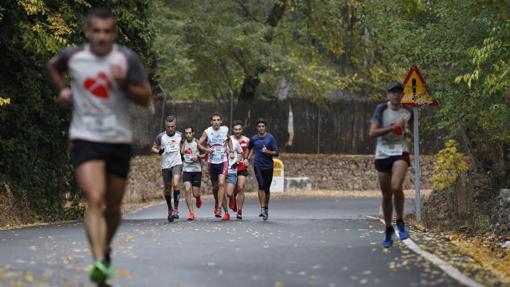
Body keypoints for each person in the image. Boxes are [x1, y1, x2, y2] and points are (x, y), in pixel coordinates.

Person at [47, 8, 152, 284]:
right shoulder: (74, 56)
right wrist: (62, 90)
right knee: (94, 198)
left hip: (117, 139)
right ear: (88, 33)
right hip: (85, 137)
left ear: (113, 33)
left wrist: (124, 84)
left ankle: (104, 250)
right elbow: (52, 66)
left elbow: (145, 97)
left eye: (107, 31)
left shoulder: (125, 59)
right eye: (97, 31)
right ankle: (98, 263)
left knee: (114, 208)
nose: (102, 37)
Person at [369, 82, 412, 248]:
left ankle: (400, 222)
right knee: (386, 195)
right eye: (392, 92)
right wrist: (391, 128)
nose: (396, 95)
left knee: (396, 186)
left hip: (400, 152)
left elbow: (409, 131)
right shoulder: (381, 110)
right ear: (388, 95)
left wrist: (406, 132)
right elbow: (372, 133)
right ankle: (388, 229)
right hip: (382, 154)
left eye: (399, 92)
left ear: (402, 95)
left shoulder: (408, 112)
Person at [198, 113, 233, 220]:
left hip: (223, 160)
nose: (216, 122)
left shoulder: (225, 129)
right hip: (212, 162)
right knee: (215, 187)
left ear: (221, 121)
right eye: (214, 120)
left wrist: (231, 151)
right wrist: (206, 150)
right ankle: (218, 202)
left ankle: (221, 210)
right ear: (211, 122)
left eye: (218, 120)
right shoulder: (207, 131)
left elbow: (229, 140)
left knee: (221, 183)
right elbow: (198, 144)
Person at [151, 116, 183, 222]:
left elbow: (185, 145)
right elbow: (153, 147)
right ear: (165, 126)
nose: (170, 129)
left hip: (177, 163)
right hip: (165, 165)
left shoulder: (180, 135)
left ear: (175, 126)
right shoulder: (161, 136)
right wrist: (159, 151)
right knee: (168, 189)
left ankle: (176, 209)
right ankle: (170, 208)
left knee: (176, 184)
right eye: (168, 127)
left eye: (172, 126)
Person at [248, 118, 279, 221]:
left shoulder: (270, 138)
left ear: (265, 127)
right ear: (257, 128)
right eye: (259, 126)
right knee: (261, 185)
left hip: (268, 166)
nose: (261, 128)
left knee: (266, 188)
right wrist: (247, 158)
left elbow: (276, 153)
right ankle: (262, 209)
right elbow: (250, 148)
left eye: (263, 126)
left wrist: (268, 151)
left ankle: (266, 208)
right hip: (258, 165)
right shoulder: (254, 138)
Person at [181, 126, 203, 221]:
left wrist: (197, 157)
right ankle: (191, 213)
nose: (188, 135)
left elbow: (205, 153)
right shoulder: (183, 143)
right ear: (185, 134)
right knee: (187, 189)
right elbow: (180, 153)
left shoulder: (197, 142)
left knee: (195, 193)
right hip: (186, 170)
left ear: (193, 133)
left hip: (197, 170)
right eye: (186, 133)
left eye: (190, 133)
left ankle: (198, 198)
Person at [221, 135, 244, 221]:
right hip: (221, 171)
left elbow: (241, 153)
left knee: (229, 193)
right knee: (221, 192)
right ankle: (226, 213)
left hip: (232, 171)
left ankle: (232, 198)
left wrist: (237, 162)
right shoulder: (218, 144)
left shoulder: (235, 142)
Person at [231, 120, 250, 220]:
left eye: (239, 129)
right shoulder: (229, 140)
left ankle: (239, 211)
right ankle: (233, 199)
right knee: (233, 190)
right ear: (233, 130)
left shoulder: (246, 140)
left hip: (242, 167)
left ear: (242, 130)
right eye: (236, 129)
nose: (237, 131)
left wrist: (247, 159)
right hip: (231, 168)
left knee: (241, 187)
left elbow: (250, 150)